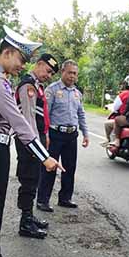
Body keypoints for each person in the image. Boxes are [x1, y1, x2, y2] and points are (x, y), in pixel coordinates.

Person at [0, 27, 63, 257]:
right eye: (21, 60)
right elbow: (19, 122)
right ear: (8, 52)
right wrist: (45, 157)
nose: (23, 66)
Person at [15, 53, 59, 240]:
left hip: (37, 138)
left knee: (34, 178)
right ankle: (25, 223)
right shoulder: (28, 86)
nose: (48, 75)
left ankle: (29, 216)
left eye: (51, 74)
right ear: (39, 64)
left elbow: (42, 116)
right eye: (48, 71)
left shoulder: (38, 87)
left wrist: (46, 135)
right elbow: (27, 120)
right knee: (28, 178)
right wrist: (37, 146)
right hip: (29, 140)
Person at [36, 60, 89, 211]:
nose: (73, 76)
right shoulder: (52, 90)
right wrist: (45, 134)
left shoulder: (77, 93)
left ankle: (65, 198)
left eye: (75, 74)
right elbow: (45, 115)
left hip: (71, 135)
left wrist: (85, 133)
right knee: (49, 167)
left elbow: (81, 114)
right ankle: (43, 200)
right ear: (62, 72)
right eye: (70, 72)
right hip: (55, 135)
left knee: (69, 168)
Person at [104, 76, 129, 143]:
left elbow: (115, 108)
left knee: (107, 124)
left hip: (127, 119)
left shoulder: (123, 94)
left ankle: (110, 140)